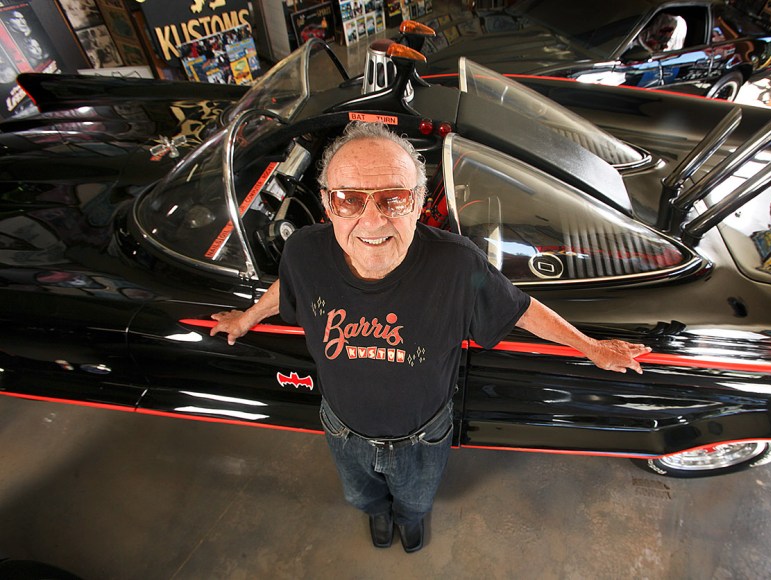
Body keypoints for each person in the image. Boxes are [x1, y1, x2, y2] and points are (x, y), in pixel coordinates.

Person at [210, 122, 650, 553]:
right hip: (342, 428)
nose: (372, 219)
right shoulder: (304, 250)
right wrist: (247, 318)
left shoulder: (456, 265)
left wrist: (591, 348)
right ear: (327, 203)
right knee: (360, 496)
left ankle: (408, 520)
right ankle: (378, 516)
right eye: (348, 199)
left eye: (394, 198)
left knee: (417, 499)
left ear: (419, 202)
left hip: (424, 437)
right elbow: (289, 287)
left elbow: (519, 308)